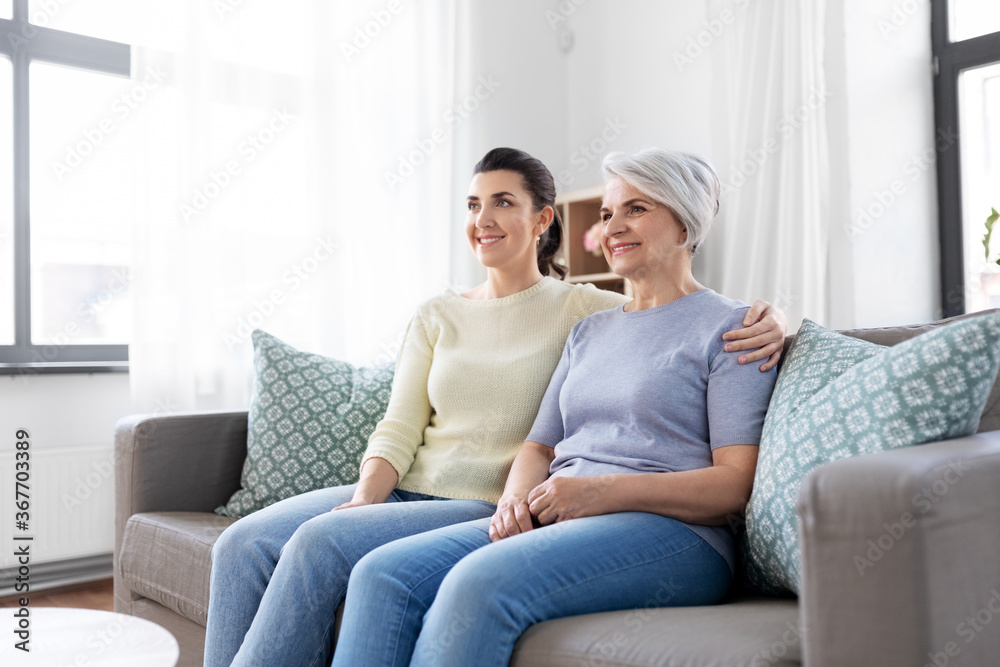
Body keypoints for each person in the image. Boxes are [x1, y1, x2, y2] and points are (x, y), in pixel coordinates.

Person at [203, 148, 786, 666]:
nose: (613, 226)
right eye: (608, 213)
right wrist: (514, 505)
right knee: (381, 573)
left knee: (473, 587)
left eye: (636, 209)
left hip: (675, 531)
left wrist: (784, 322)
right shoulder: (593, 330)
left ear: (686, 222)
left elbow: (733, 486)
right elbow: (539, 444)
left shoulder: (733, 329)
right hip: (554, 509)